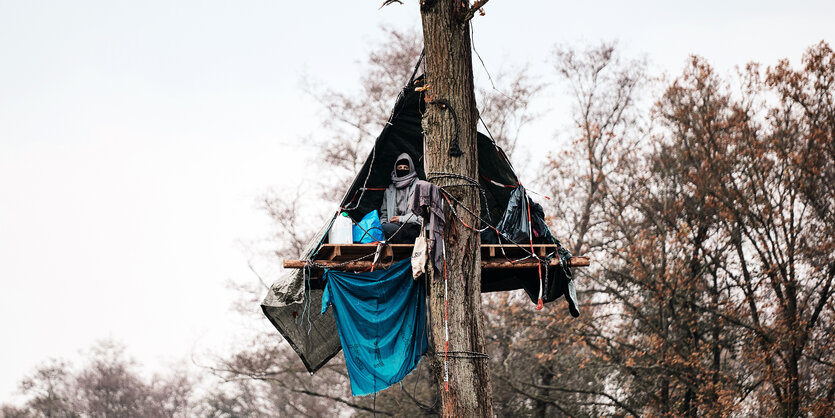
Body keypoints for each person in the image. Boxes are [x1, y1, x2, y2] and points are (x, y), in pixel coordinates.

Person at [380, 153, 421, 243]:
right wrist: (383, 224)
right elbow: (384, 213)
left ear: (411, 169)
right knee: (384, 229)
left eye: (406, 168)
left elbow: (420, 217)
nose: (402, 170)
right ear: (395, 169)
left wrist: (400, 219)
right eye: (400, 168)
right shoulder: (390, 190)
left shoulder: (418, 187)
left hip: (412, 227)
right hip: (393, 228)